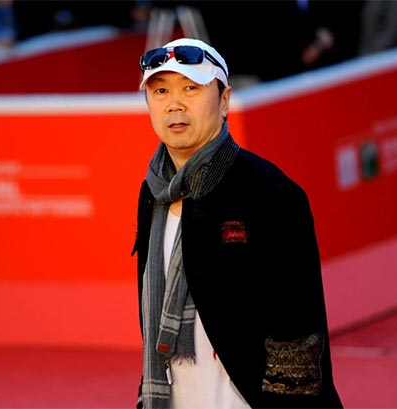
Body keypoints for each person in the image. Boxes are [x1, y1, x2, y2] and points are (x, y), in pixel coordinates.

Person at [132, 38, 343, 408]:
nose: (174, 104)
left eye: (191, 89)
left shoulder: (269, 192)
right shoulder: (153, 192)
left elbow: (298, 327)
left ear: (225, 99)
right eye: (160, 91)